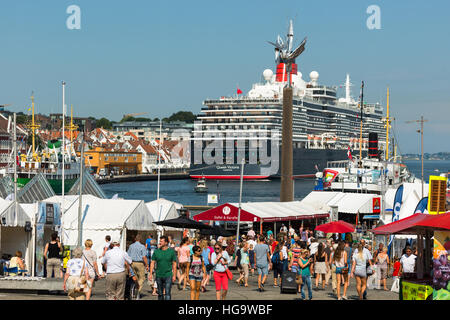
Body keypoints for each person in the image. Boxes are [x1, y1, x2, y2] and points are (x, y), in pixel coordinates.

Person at [149, 235, 177, 300]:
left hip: (168, 275)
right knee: (160, 294)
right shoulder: (156, 251)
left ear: (166, 242)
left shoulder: (171, 252)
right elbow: (152, 262)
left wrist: (174, 275)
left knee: (167, 293)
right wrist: (150, 274)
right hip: (159, 275)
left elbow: (174, 264)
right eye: (160, 241)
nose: (160, 243)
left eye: (161, 241)